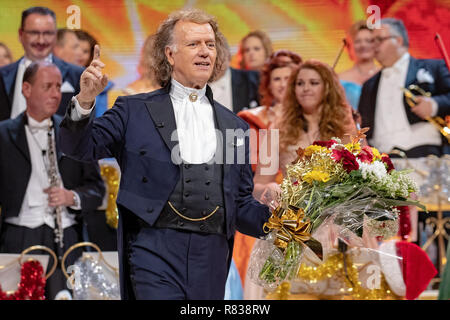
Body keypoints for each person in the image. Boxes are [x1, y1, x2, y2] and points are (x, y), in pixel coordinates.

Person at [58, 9, 270, 300]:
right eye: (194, 44)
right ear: (170, 55)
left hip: (211, 258)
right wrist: (84, 100)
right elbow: (77, 148)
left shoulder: (237, 126)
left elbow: (241, 205)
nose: (205, 51)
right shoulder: (132, 110)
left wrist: (283, 218)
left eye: (210, 44)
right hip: (152, 250)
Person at [0, 61, 105, 299]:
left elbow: (97, 189)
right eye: (47, 86)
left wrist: (72, 197)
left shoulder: (75, 132)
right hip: (20, 235)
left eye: (58, 87)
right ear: (26, 89)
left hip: (67, 237)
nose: (56, 94)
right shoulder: (3, 134)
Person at [233, 52, 300, 291]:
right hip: (270, 201)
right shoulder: (255, 120)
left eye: (290, 77)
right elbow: (255, 176)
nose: (284, 84)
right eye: (278, 78)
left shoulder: (322, 117)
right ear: (268, 85)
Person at [358, 18, 450, 158]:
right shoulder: (368, 85)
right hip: (383, 159)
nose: (373, 46)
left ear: (399, 41)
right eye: (372, 41)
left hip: (426, 153)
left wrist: (435, 105)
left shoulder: (433, 67)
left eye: (379, 40)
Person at [0, 7, 84, 121]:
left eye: (48, 33)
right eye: (34, 33)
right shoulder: (3, 75)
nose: (41, 40)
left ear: (55, 35)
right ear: (21, 34)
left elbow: (82, 125)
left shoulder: (77, 75)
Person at [209, 36, 260, 113]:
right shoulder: (191, 84)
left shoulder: (253, 79)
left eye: (219, 54)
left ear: (229, 56)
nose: (215, 60)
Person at [339, 20, 380, 110]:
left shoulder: (385, 75)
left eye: (368, 41)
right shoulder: (339, 80)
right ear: (349, 46)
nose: (363, 45)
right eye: (357, 41)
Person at [73, 29, 114, 117]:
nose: (79, 54)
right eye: (75, 48)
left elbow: (100, 118)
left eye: (85, 51)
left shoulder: (97, 85)